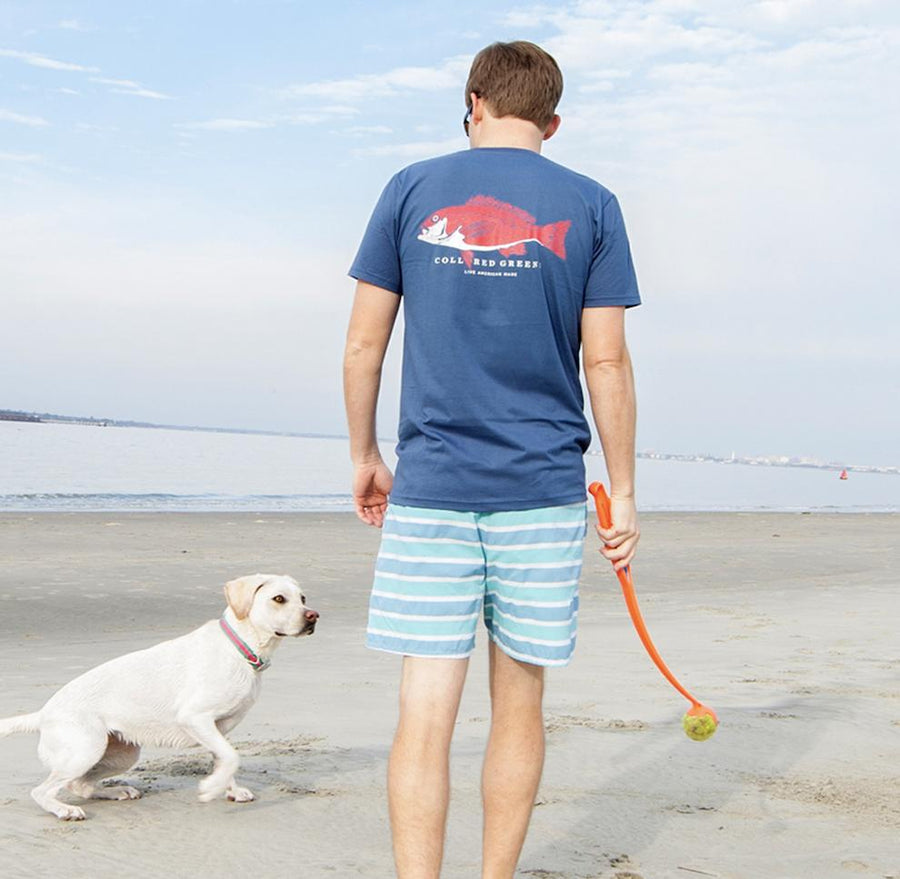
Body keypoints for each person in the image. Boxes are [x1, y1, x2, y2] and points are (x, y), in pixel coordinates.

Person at [343, 40, 641, 879]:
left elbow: (364, 345)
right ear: (553, 120)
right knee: (519, 705)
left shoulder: (408, 187)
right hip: (544, 492)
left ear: (473, 101)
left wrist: (366, 453)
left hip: (432, 487)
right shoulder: (592, 203)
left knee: (424, 712)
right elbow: (607, 362)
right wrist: (622, 490)